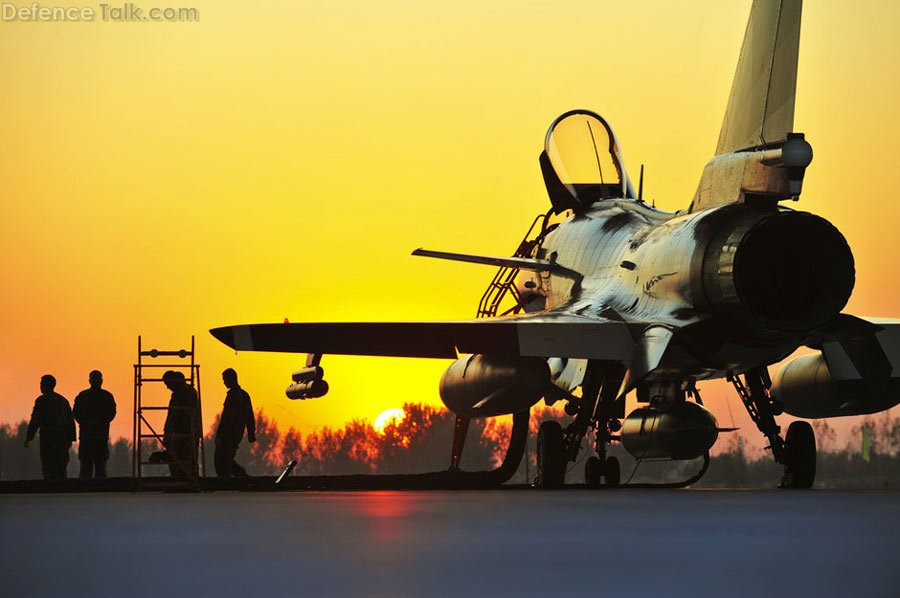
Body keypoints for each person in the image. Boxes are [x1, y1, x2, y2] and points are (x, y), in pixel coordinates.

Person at [25, 375, 76, 480]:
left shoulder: (42, 400)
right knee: (61, 465)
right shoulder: (63, 401)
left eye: (41, 383)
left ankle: (50, 489)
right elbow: (71, 421)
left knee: (48, 464)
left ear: (46, 385)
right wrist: (71, 439)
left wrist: (29, 437)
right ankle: (62, 488)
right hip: (62, 437)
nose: (40, 386)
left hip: (48, 437)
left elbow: (35, 420)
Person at [73, 370, 117, 478]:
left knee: (87, 467)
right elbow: (111, 413)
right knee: (99, 466)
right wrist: (99, 422)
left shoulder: (83, 396)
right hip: (98, 436)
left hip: (89, 436)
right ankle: (100, 489)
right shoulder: (107, 396)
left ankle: (85, 489)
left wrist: (87, 423)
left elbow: (76, 413)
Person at [214, 368, 256, 477]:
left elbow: (226, 418)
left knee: (222, 459)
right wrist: (251, 433)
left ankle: (236, 478)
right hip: (235, 434)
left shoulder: (234, 396)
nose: (224, 382)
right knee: (226, 458)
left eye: (225, 380)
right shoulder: (244, 395)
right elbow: (250, 416)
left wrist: (219, 435)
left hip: (229, 434)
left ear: (230, 379)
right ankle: (240, 476)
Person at [162, 370, 200, 478]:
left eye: (168, 384)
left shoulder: (187, 393)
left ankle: (188, 481)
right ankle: (181, 481)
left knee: (187, 459)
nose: (167, 387)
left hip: (186, 433)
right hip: (179, 433)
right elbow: (172, 415)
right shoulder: (179, 394)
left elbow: (183, 415)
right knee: (178, 460)